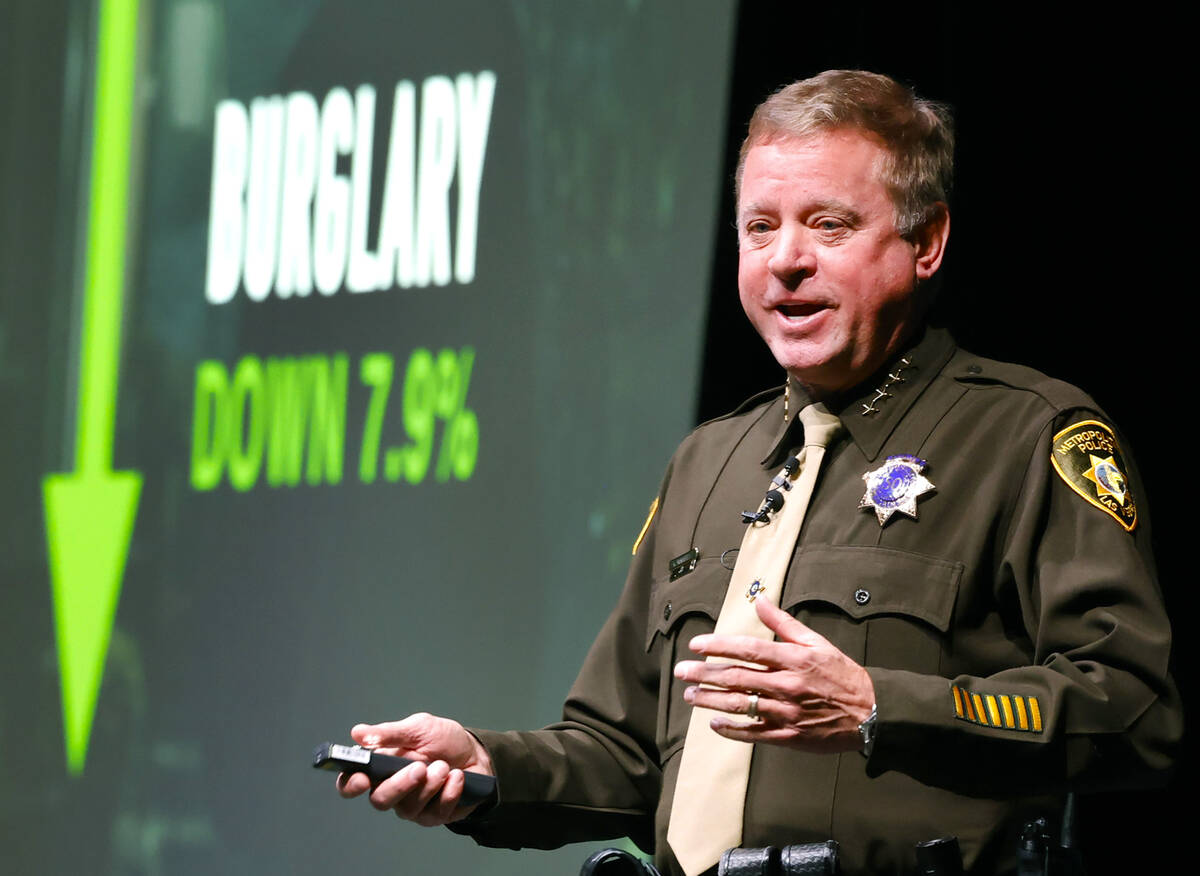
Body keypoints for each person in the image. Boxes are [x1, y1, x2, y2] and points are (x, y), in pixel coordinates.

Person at [335, 70, 1180, 874]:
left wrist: (879, 708)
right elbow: (627, 756)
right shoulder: (710, 460)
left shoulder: (1027, 433)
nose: (786, 260)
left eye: (830, 225)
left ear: (925, 242)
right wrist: (484, 769)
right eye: (760, 226)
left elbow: (1133, 710)